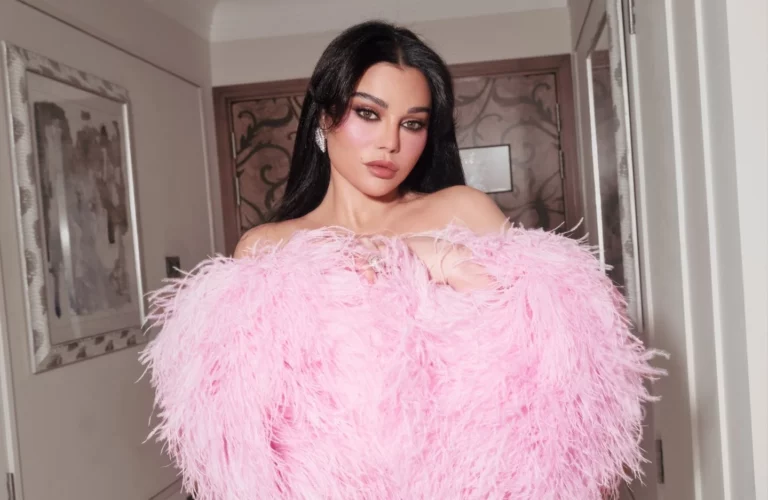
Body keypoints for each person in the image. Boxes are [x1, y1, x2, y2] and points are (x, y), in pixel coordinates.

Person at [141, 20, 662, 500]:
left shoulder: (460, 210)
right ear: (325, 116)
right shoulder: (268, 249)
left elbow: (552, 348)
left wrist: (430, 256)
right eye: (368, 114)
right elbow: (245, 433)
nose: (390, 142)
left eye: (412, 124)